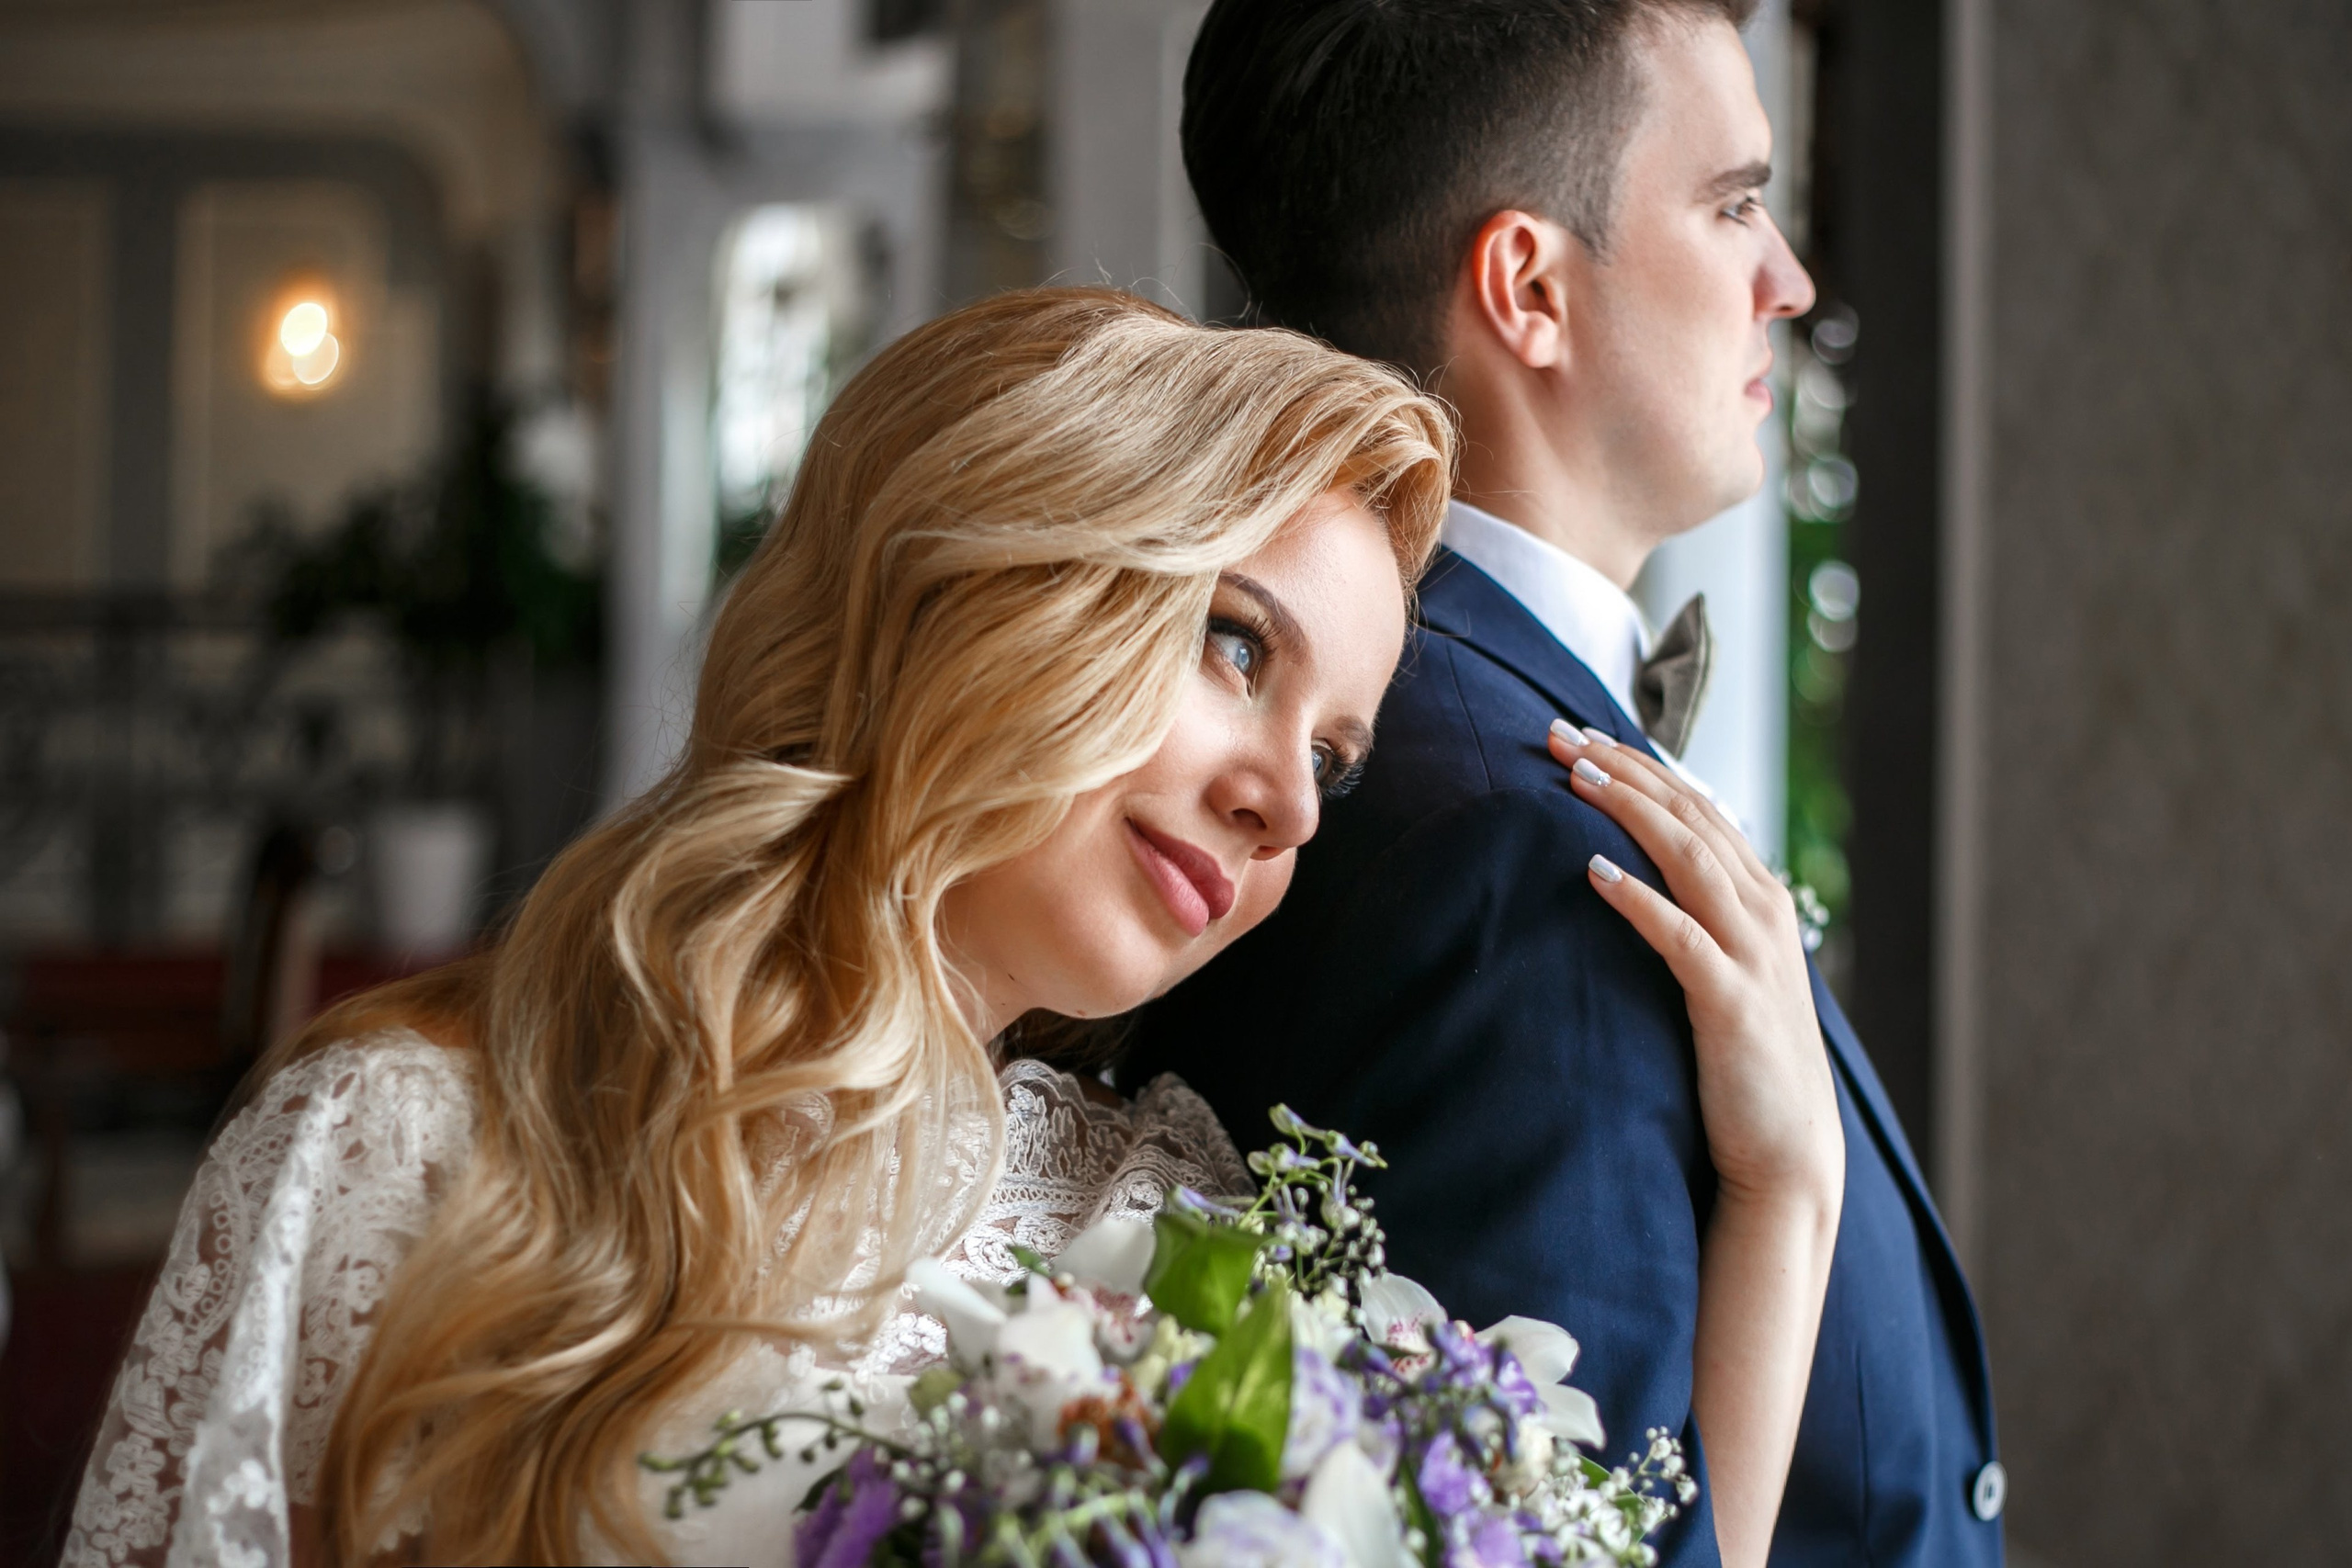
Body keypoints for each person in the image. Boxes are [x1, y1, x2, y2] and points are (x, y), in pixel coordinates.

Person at [66, 288, 1835, 1568]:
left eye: (1334, 762)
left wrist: (1784, 1193)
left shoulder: (1172, 1239)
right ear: (990, 579)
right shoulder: (401, 1145)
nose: (1288, 806)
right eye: (1235, 644)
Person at [1126, 4, 2003, 1566]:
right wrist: (1791, 1192)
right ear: (1529, 286)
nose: (1790, 279)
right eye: (1736, 204)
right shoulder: (1518, 852)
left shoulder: (1405, 737)